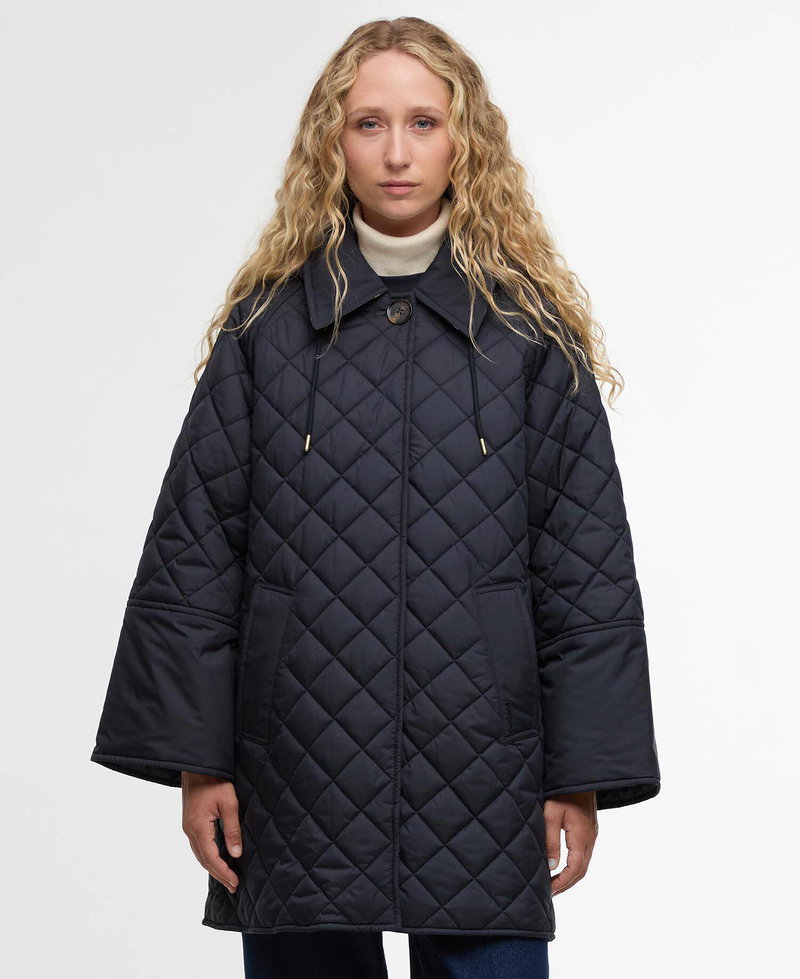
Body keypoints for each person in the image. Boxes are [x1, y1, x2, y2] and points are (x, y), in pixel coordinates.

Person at [90, 16, 660, 979]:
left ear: (464, 140)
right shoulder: (266, 330)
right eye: (369, 124)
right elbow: (198, 552)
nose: (397, 152)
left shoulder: (529, 336)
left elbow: (585, 567)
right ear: (333, 141)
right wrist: (199, 760)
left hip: (483, 767)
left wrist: (582, 773)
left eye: (424, 122)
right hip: (296, 763)